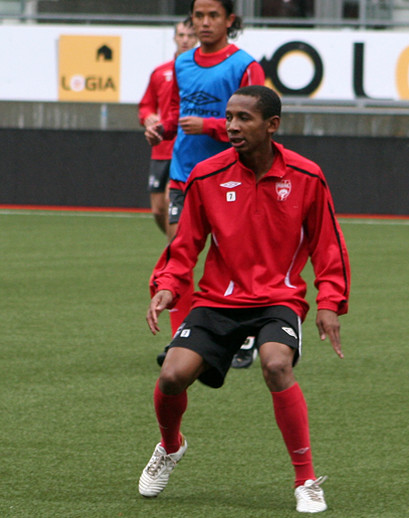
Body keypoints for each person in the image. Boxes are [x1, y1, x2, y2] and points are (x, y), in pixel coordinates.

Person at [138, 85, 350, 514]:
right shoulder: (206, 175)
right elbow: (185, 244)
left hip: (279, 299)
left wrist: (329, 302)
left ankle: (306, 480)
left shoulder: (307, 176)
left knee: (276, 364)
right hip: (218, 299)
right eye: (229, 117)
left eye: (244, 118)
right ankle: (170, 446)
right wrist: (167, 285)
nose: (232, 126)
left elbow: (328, 245)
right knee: (172, 376)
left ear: (272, 125)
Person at [145, 0, 266, 367]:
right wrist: (161, 129)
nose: (204, 22)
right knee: (178, 257)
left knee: (238, 260)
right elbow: (176, 115)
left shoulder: (245, 66)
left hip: (232, 177)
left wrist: (211, 126)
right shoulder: (182, 63)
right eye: (198, 15)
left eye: (213, 15)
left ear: (229, 20)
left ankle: (246, 338)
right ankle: (182, 339)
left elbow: (258, 125)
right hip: (185, 176)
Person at [138, 17, 197, 235]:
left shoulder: (200, 72)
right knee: (158, 209)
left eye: (190, 36)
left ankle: (176, 249)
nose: (185, 40)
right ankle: (177, 244)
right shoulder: (160, 72)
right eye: (181, 35)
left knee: (171, 201)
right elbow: (146, 105)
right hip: (161, 148)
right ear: (174, 38)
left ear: (197, 39)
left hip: (186, 147)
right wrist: (148, 117)